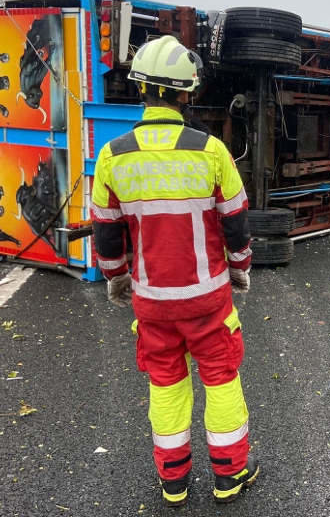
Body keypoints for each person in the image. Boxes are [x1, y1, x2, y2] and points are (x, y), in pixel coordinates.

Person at [90, 35, 258, 507]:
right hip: (208, 300)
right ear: (186, 94)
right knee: (221, 380)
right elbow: (236, 223)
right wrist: (240, 269)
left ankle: (174, 483)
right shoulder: (211, 151)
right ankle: (229, 475)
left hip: (152, 303)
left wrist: (117, 278)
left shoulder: (113, 155)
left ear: (141, 89)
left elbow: (106, 233)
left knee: (165, 386)